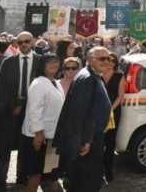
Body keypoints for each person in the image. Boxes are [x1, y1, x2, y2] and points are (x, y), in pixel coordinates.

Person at [53, 47, 112, 192]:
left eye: (108, 58)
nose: (106, 62)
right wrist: (85, 140)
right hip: (87, 142)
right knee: (85, 182)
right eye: (102, 59)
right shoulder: (88, 78)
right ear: (90, 60)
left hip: (91, 138)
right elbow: (80, 113)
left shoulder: (92, 75)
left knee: (88, 180)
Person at [0, 31, 42, 191]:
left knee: (26, 147)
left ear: (33, 41)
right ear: (16, 43)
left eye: (27, 41)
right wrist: (12, 105)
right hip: (10, 112)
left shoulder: (41, 61)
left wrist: (26, 106)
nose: (23, 45)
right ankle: (0, 182)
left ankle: (21, 179)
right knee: (5, 148)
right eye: (20, 42)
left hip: (32, 112)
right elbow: (1, 88)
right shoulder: (8, 62)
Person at [21, 54, 64, 192]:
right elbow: (34, 110)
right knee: (35, 173)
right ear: (42, 65)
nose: (54, 65)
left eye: (56, 62)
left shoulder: (56, 82)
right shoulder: (38, 83)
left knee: (49, 172)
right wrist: (38, 134)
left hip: (51, 135)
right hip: (37, 136)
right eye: (49, 62)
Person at [102, 53, 125, 182]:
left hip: (113, 112)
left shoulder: (119, 76)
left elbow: (120, 96)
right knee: (98, 142)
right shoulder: (98, 76)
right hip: (99, 114)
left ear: (115, 63)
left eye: (112, 60)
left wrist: (110, 109)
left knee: (110, 143)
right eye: (107, 59)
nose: (109, 62)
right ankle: (97, 169)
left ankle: (108, 171)